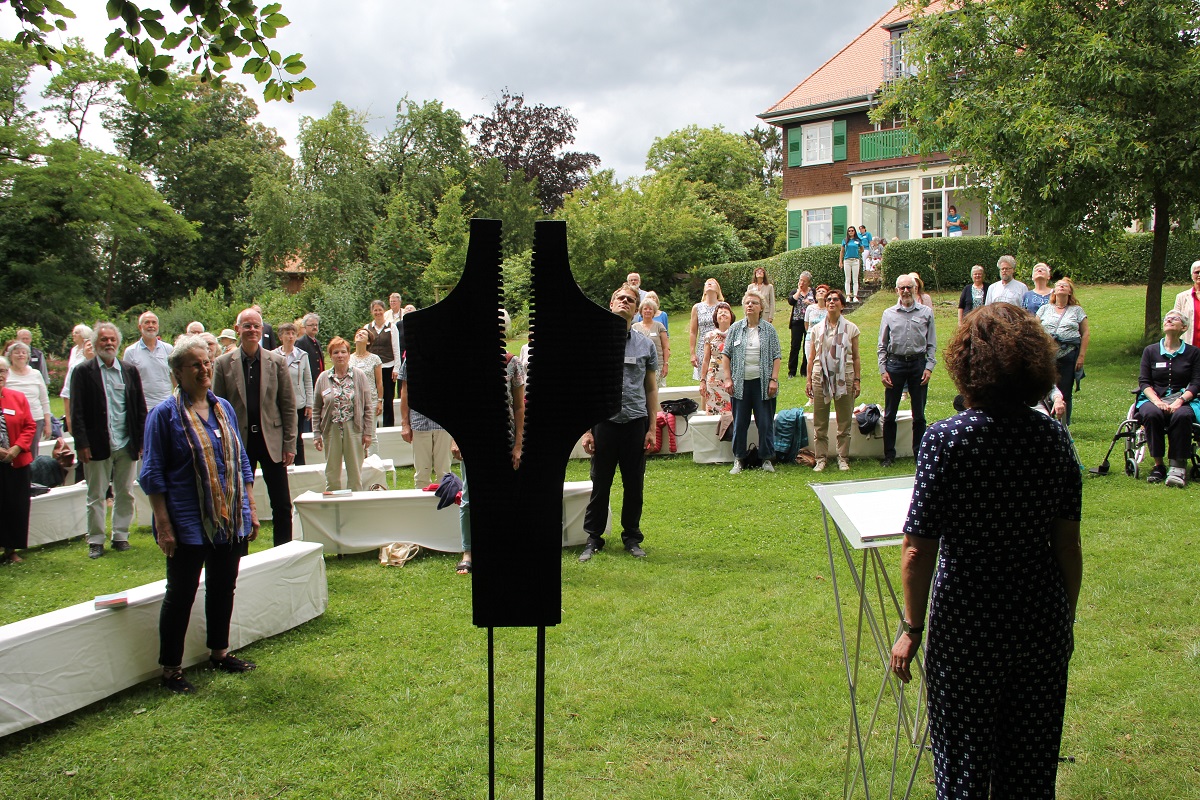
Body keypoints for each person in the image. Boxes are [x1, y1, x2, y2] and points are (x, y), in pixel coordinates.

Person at [890, 303, 1082, 800]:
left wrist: (912, 629)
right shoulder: (1055, 439)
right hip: (1040, 620)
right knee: (1032, 770)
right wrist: (1066, 619)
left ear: (967, 363)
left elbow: (916, 549)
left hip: (968, 623)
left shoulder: (946, 440)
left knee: (964, 768)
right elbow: (1067, 542)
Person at [140, 334, 260, 694]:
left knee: (224, 586)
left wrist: (249, 508)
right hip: (186, 520)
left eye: (207, 361)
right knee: (181, 593)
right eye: (196, 364)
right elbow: (153, 474)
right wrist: (163, 525)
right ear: (177, 372)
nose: (205, 368)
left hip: (229, 519)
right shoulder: (163, 416)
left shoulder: (222, 407)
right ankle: (171, 670)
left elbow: (240, 461)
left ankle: (219, 652)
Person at [579, 285, 659, 562]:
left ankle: (632, 538)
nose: (625, 302)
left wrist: (652, 427)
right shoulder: (595, 342)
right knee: (600, 483)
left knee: (634, 484)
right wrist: (588, 430)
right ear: (611, 304)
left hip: (635, 421)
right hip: (605, 422)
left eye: (630, 300)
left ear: (636, 310)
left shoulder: (646, 344)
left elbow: (651, 388)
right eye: (620, 299)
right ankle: (593, 538)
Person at [212, 307, 297, 547]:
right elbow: (215, 408)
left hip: (272, 441)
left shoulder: (277, 362)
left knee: (281, 502)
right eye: (247, 326)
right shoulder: (222, 364)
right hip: (238, 442)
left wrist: (289, 443)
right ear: (238, 329)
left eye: (256, 326)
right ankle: (239, 552)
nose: (252, 330)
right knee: (238, 501)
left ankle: (284, 550)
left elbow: (288, 406)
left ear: (262, 330)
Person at [70, 323, 147, 559]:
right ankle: (95, 540)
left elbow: (139, 408)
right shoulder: (83, 372)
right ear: (95, 343)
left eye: (112, 339)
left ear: (118, 342)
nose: (109, 343)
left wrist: (142, 440)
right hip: (96, 444)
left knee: (125, 492)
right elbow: (77, 412)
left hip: (126, 442)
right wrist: (82, 444)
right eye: (104, 340)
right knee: (96, 494)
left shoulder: (129, 370)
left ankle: (121, 536)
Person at [456, 350, 525, 575]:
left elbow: (519, 406)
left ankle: (504, 547)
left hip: (505, 438)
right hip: (474, 440)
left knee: (506, 494)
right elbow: (459, 404)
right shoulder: (469, 361)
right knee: (468, 497)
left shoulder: (512, 363)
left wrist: (518, 444)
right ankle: (468, 551)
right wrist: (456, 440)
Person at [1135, 309, 1200, 487]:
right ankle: (1158, 465)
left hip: (1184, 398)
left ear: (1184, 327)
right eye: (1167, 318)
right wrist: (1157, 401)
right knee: (1152, 413)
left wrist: (1180, 401)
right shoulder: (1151, 351)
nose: (1169, 320)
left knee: (1183, 415)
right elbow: (1144, 382)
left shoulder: (1193, 353)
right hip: (1154, 398)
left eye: (1175, 319)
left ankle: (1177, 466)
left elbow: (1196, 383)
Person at [878, 275, 937, 467]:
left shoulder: (926, 312)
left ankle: (918, 453)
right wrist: (883, 370)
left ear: (915, 289)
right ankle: (889, 456)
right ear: (896, 290)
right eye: (901, 288)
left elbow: (932, 344)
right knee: (890, 414)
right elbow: (882, 345)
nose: (905, 291)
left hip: (918, 365)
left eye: (908, 287)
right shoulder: (889, 313)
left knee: (918, 415)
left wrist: (929, 367)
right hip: (895, 365)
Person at [721, 291, 782, 474]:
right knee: (740, 423)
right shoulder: (735, 328)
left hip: (763, 384)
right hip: (740, 384)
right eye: (747, 302)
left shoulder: (769, 330)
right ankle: (739, 459)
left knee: (765, 423)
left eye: (754, 303)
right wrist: (728, 378)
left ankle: (766, 459)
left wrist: (773, 379)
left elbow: (776, 356)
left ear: (761, 307)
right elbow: (726, 354)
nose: (750, 306)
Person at [806, 289, 860, 472]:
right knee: (820, 422)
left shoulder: (851, 328)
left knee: (844, 421)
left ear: (842, 305)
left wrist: (858, 380)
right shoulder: (817, 329)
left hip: (845, 376)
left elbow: (857, 357)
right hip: (820, 375)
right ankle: (821, 458)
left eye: (835, 299)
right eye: (828, 299)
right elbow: (811, 356)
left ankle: (842, 458)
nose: (831, 302)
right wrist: (808, 380)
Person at [312, 337, 375, 492]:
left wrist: (368, 433)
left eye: (343, 352)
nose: (340, 355)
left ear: (348, 354)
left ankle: (355, 508)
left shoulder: (359, 375)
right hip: (331, 429)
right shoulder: (323, 378)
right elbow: (316, 408)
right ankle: (334, 509)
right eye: (335, 352)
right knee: (332, 473)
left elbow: (368, 407)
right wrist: (316, 434)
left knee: (354, 474)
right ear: (331, 356)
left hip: (353, 428)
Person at [1036, 278, 1089, 426]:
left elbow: (1085, 333)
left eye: (1065, 286)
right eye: (1058, 285)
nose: (1061, 287)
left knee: (1065, 390)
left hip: (1068, 355)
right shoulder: (1044, 309)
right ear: (1054, 290)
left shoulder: (1077, 311)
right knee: (1046, 387)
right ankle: (1048, 420)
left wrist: (1081, 356)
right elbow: (1035, 330)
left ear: (1070, 291)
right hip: (1047, 355)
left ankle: (1064, 424)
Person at [0, 356, 36, 564]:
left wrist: (16, 448)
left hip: (16, 461)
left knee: (15, 506)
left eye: (3, 371)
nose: (1, 376)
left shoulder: (17, 397)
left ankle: (11, 549)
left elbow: (30, 425)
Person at [399, 354, 453, 489]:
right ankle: (420, 508)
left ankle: (445, 506)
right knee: (421, 475)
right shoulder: (411, 358)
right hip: (420, 421)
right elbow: (405, 391)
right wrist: (405, 424)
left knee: (444, 473)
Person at [274, 322, 314, 466]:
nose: (290, 336)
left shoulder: (302, 355)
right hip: (279, 404)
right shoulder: (273, 355)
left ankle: (300, 467)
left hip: (299, 403)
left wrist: (310, 403)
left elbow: (308, 380)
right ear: (280, 337)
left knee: (297, 438)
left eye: (293, 333)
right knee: (279, 436)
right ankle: (281, 465)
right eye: (287, 333)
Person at [123, 311, 175, 412]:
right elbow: (127, 382)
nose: (151, 325)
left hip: (167, 404)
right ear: (140, 327)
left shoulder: (168, 349)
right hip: (142, 406)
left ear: (158, 326)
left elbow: (175, 376)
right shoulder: (130, 352)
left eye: (154, 322)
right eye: (147, 322)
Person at [4, 342, 51, 446]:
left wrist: (48, 423)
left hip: (35, 419)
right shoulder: (5, 374)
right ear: (10, 356)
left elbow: (44, 399)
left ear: (28, 356)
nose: (21, 355)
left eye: (24, 352)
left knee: (32, 453)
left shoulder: (36, 374)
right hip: (12, 420)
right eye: (17, 353)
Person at [365, 299, 401, 428]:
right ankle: (374, 424)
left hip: (388, 366)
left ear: (384, 311)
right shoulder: (367, 328)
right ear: (372, 312)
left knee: (388, 397)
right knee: (372, 397)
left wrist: (397, 368)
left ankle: (388, 424)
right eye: (375, 310)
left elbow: (396, 348)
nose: (378, 312)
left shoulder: (392, 327)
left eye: (380, 309)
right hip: (372, 368)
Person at [349, 327, 384, 454]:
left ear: (368, 342)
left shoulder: (375, 359)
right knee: (356, 433)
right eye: (358, 333)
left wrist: (380, 401)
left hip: (371, 400)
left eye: (363, 334)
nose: (359, 334)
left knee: (371, 434)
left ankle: (374, 464)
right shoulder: (348, 358)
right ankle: (359, 460)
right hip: (353, 400)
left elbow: (379, 382)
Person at [700, 302, 735, 416]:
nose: (723, 314)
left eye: (726, 312)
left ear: (731, 316)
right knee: (713, 412)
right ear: (716, 317)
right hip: (714, 380)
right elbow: (705, 360)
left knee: (732, 412)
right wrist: (703, 381)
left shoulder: (736, 334)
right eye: (720, 313)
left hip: (732, 379)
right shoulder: (709, 336)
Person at [60, 324, 94, 432]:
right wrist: (69, 419)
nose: (73, 334)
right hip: (79, 407)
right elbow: (67, 391)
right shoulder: (75, 357)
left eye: (76, 332)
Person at [689, 278, 724, 380]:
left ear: (717, 289)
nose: (709, 284)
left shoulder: (723, 306)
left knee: (719, 377)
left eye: (712, 283)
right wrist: (692, 353)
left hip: (719, 346)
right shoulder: (697, 307)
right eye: (707, 283)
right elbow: (693, 332)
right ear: (704, 290)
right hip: (702, 347)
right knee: (704, 380)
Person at [634, 298, 669, 387]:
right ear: (641, 311)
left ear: (654, 312)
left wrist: (665, 364)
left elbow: (665, 347)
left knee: (655, 391)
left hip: (657, 365)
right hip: (639, 365)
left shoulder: (659, 326)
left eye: (650, 309)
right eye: (645, 308)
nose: (648, 311)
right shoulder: (635, 327)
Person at [786, 272, 815, 379]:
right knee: (795, 346)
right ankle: (791, 371)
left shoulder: (813, 292)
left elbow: (819, 304)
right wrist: (799, 291)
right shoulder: (795, 291)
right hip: (796, 322)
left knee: (806, 346)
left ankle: (804, 371)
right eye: (800, 280)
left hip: (809, 322)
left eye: (804, 281)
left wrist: (811, 303)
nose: (801, 282)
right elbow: (791, 301)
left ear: (808, 282)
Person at [803, 285, 830, 381]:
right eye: (819, 291)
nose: (821, 292)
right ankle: (812, 383)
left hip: (826, 339)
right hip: (810, 339)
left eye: (823, 291)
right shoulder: (810, 308)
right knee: (811, 362)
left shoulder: (829, 309)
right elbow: (806, 324)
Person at [1171, 259, 1200, 348]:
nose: (1199, 275)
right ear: (1192, 275)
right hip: (1189, 345)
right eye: (1197, 272)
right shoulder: (1182, 297)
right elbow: (1175, 321)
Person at [839, 226, 864, 303]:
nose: (851, 232)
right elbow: (842, 251)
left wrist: (856, 252)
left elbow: (862, 249)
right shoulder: (845, 240)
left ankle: (855, 296)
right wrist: (840, 262)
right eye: (849, 231)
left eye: (852, 231)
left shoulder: (858, 240)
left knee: (855, 279)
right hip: (847, 260)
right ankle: (848, 295)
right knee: (847, 279)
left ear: (854, 231)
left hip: (855, 260)